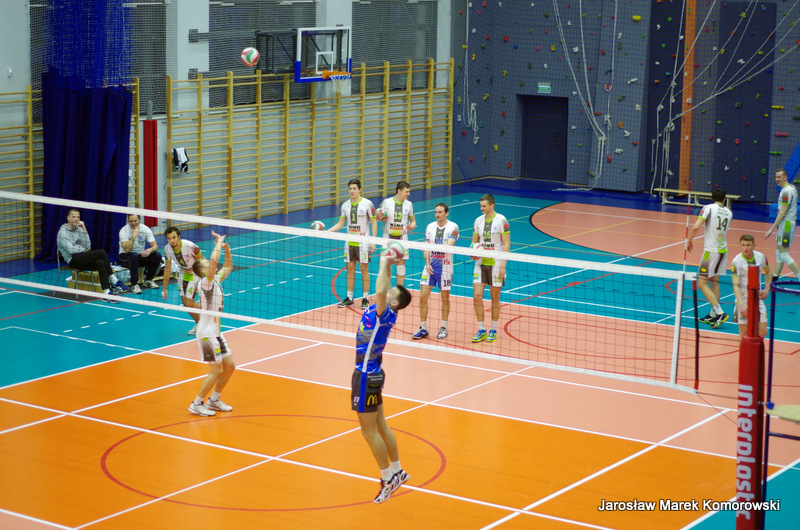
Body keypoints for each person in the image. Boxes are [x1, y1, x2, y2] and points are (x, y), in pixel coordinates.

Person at [351, 249, 412, 504]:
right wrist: (388, 264)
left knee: (368, 432)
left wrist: (383, 261)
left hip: (366, 376)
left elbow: (379, 291)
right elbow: (384, 287)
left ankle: (388, 478)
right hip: (374, 372)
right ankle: (398, 471)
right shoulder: (386, 311)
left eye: (390, 294)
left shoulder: (383, 312)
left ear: (393, 303)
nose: (386, 292)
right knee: (381, 426)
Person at [188, 231, 236, 416]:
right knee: (216, 370)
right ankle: (196, 404)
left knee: (229, 366)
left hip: (216, 332)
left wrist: (226, 248)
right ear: (202, 271)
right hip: (207, 333)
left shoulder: (215, 279)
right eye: (206, 264)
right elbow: (215, 261)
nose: (210, 263)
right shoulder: (205, 283)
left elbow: (228, 266)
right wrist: (219, 243)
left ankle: (214, 400)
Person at [56, 208, 130, 303]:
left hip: (82, 257)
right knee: (102, 252)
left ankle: (106, 293)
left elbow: (88, 245)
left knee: (101, 262)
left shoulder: (79, 229)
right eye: (73, 217)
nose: (76, 219)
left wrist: (84, 229)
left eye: (78, 217)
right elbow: (71, 250)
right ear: (68, 218)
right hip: (73, 260)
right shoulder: (62, 232)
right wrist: (83, 249)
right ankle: (114, 280)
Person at [686, 188, 733, 329]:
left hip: (710, 252)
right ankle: (713, 315)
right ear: (724, 199)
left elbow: (696, 227)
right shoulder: (729, 212)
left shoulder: (708, 208)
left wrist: (689, 240)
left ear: (712, 198)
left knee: (701, 284)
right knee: (715, 283)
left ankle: (720, 313)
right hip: (723, 251)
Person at [327, 179, 378, 310]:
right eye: (350, 189)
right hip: (349, 242)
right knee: (350, 269)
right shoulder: (345, 205)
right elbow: (340, 224)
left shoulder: (367, 204)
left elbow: (374, 223)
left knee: (363, 269)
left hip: (363, 242)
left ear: (360, 189)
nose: (352, 191)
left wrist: (373, 241)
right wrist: (327, 232)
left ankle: (365, 299)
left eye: (354, 188)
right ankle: (349, 298)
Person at [412, 203, 459, 340]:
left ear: (446, 213)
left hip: (445, 268)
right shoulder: (430, 227)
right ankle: (423, 327)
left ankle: (443, 327)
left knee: (444, 298)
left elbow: (448, 246)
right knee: (422, 297)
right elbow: (426, 247)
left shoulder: (453, 227)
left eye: (440, 212)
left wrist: (429, 247)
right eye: (436, 212)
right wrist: (427, 263)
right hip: (430, 267)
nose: (437, 215)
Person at [471, 194, 510, 343]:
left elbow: (506, 244)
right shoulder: (478, 221)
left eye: (484, 206)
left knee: (495, 297)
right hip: (480, 263)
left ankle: (493, 330)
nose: (481, 208)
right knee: (477, 296)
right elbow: (474, 242)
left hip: (496, 263)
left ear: (492, 205)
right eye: (481, 206)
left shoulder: (502, 220)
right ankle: (481, 329)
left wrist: (503, 266)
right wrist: (472, 252)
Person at [161, 226, 205, 334]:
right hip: (183, 272)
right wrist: (164, 288)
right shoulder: (167, 249)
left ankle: (209, 311)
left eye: (174, 237)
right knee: (185, 303)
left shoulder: (189, 246)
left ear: (179, 237)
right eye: (169, 238)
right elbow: (167, 269)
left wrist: (206, 278)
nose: (172, 240)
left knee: (189, 302)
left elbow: (202, 261)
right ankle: (200, 324)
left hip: (195, 273)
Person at [730, 234, 772, 339]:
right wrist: (741, 305)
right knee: (743, 335)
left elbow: (768, 271)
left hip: (757, 299)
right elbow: (736, 285)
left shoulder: (761, 257)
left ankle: (756, 350)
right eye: (743, 245)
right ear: (740, 245)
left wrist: (767, 288)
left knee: (763, 331)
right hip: (743, 299)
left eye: (748, 245)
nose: (745, 248)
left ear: (754, 245)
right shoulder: (736, 262)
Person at [377, 180, 416, 286]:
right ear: (399, 191)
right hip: (388, 237)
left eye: (409, 191)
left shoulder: (409, 204)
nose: (408, 194)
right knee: (386, 264)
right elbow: (378, 216)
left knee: (401, 265)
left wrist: (412, 225)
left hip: (402, 238)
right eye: (406, 191)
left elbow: (412, 220)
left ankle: (399, 289)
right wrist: (379, 217)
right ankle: (386, 289)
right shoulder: (386, 202)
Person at [764, 168, 800, 280]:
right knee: (778, 252)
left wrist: (771, 230)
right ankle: (775, 278)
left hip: (786, 225)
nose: (777, 179)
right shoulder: (792, 188)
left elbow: (782, 213)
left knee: (784, 254)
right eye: (776, 177)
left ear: (785, 177)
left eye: (779, 177)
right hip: (785, 224)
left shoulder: (786, 192)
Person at [118, 214, 163, 294]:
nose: (133, 223)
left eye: (135, 221)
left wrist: (149, 250)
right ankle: (134, 285)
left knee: (157, 256)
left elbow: (155, 246)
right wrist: (134, 235)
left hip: (138, 256)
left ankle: (148, 280)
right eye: (131, 221)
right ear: (128, 221)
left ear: (139, 220)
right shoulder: (124, 231)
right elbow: (127, 250)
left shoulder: (145, 229)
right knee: (134, 256)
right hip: (125, 257)